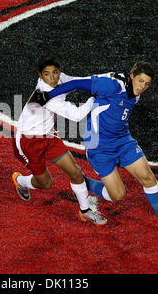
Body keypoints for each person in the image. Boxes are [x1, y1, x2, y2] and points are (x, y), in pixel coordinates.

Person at [33, 61, 158, 239]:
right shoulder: (112, 86)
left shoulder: (134, 93)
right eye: (140, 81)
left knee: (147, 177)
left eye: (147, 84)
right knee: (117, 195)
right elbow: (77, 84)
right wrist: (48, 96)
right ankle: (81, 180)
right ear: (131, 76)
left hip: (123, 142)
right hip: (99, 147)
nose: (142, 87)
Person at [12, 54, 108, 226]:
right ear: (40, 76)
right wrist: (96, 98)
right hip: (28, 142)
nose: (53, 78)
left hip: (48, 135)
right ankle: (19, 180)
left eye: (55, 72)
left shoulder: (60, 79)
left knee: (76, 172)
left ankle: (85, 211)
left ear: (59, 71)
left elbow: (78, 81)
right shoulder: (46, 95)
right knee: (45, 183)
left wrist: (108, 78)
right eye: (47, 74)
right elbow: (77, 115)